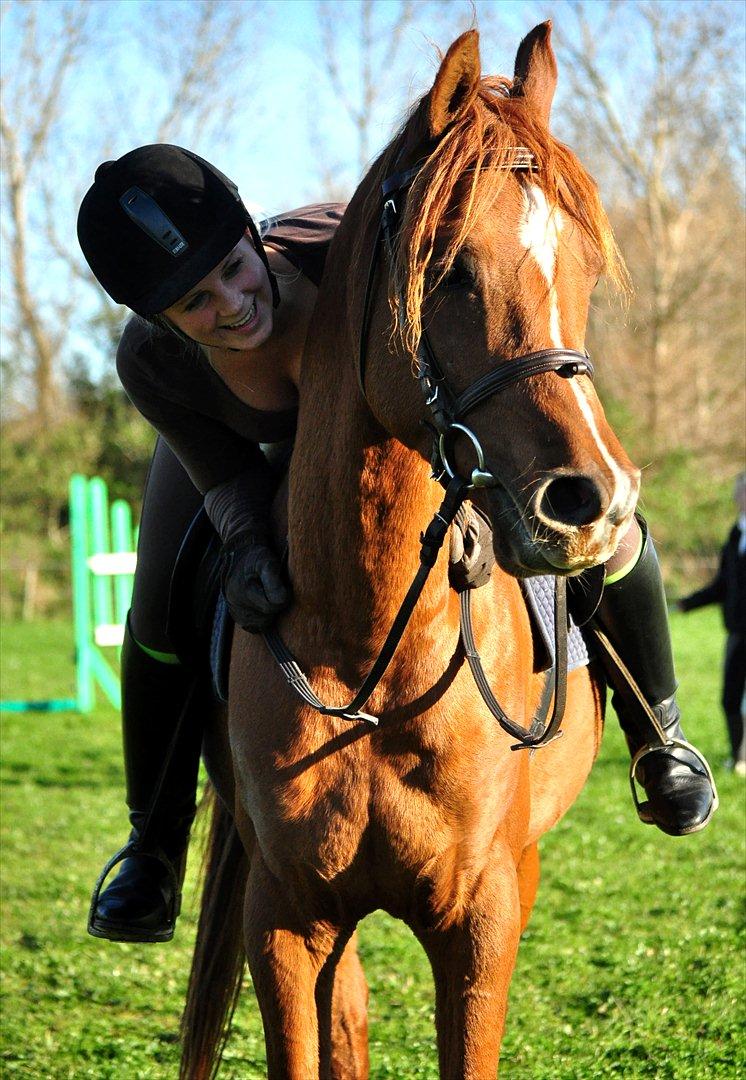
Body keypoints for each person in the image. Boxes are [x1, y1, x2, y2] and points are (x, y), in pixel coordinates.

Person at [77, 144, 716, 944]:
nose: (234, 304)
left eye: (235, 269)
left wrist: (477, 508)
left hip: (403, 440)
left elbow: (445, 388)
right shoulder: (152, 362)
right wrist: (244, 545)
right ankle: (154, 844)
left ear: (249, 231)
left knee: (606, 530)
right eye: (196, 304)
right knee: (158, 610)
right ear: (158, 321)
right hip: (237, 459)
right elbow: (225, 477)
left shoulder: (351, 258)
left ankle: (658, 734)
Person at [678, 473, 746, 775]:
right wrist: (686, 604)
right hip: (738, 633)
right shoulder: (735, 534)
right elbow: (722, 587)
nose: (741, 497)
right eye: (739, 492)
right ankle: (740, 756)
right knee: (730, 698)